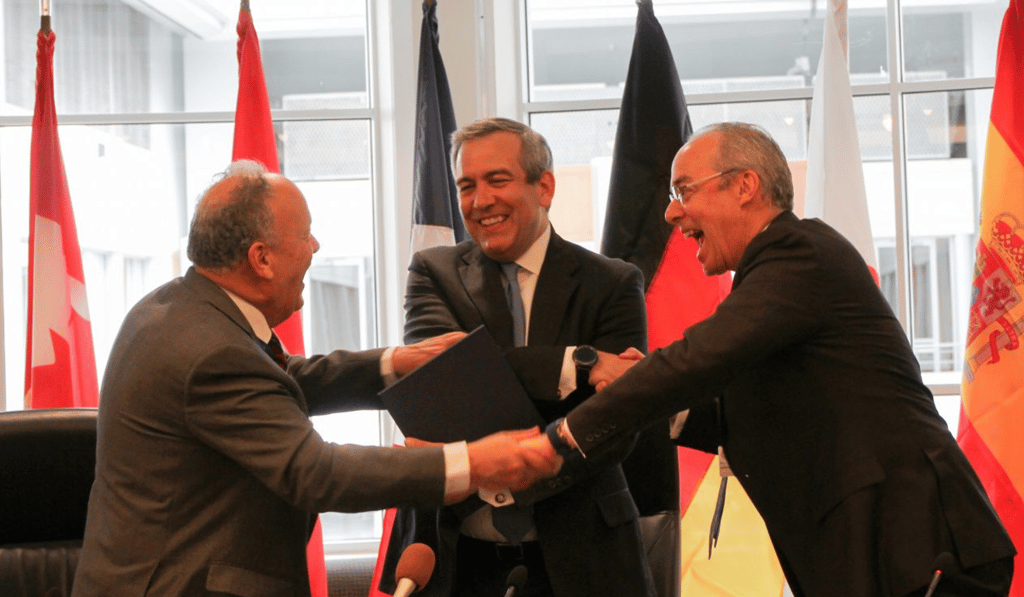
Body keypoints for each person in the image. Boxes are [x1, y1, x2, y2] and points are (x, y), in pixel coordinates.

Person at [527, 122, 1016, 597]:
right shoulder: (775, 275)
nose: (671, 213)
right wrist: (651, 396)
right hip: (879, 552)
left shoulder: (799, 253)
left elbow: (698, 359)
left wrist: (561, 439)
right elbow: (756, 415)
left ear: (745, 186)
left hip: (917, 548)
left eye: (683, 191)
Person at [71, 160, 557, 597]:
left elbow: (276, 380)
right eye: (306, 234)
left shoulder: (177, 306)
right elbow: (317, 473)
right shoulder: (213, 351)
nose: (315, 246)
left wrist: (394, 362)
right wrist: (471, 462)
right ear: (261, 259)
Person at [378, 118, 657, 597]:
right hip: (450, 558)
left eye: (497, 180)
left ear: (544, 187)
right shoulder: (434, 273)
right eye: (467, 186)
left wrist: (523, 468)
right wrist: (574, 365)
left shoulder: (612, 284)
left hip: (584, 560)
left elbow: (614, 423)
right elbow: (445, 383)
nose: (480, 200)